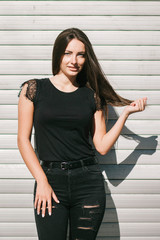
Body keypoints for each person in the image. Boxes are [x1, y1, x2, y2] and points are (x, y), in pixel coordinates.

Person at [17, 27, 147, 240]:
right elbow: (23, 140)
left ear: (86, 58)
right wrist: (41, 180)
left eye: (80, 54)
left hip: (88, 182)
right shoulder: (33, 89)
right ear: (58, 54)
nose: (74, 60)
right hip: (50, 180)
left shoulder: (92, 96)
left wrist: (125, 114)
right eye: (68, 53)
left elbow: (102, 146)